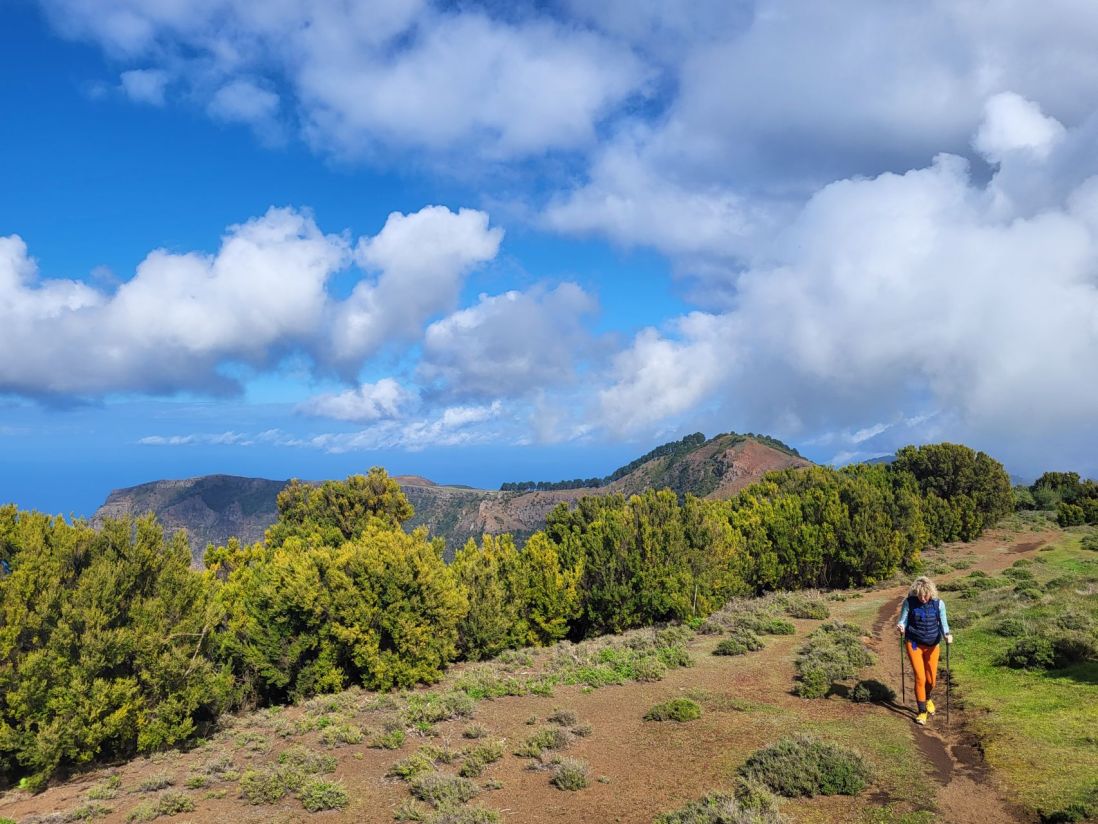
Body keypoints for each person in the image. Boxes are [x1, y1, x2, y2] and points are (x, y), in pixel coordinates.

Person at [896, 575, 953, 725]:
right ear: (916, 592)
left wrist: (947, 635)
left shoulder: (939, 604)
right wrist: (901, 626)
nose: (923, 598)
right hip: (914, 643)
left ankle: (927, 698)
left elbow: (943, 624)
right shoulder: (909, 603)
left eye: (926, 594)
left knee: (931, 680)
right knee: (920, 677)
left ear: (931, 592)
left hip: (933, 644)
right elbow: (902, 620)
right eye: (920, 595)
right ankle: (922, 711)